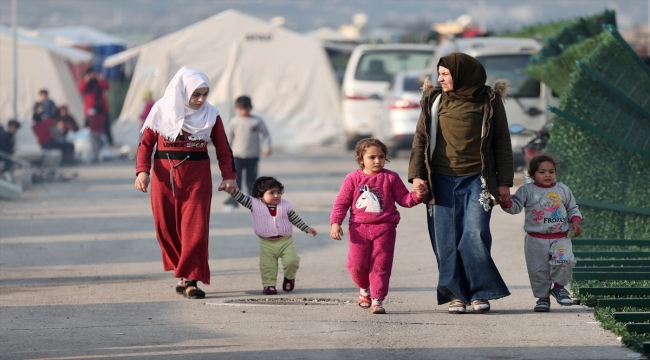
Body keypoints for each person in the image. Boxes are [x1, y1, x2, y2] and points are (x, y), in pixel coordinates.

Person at [408, 52, 513, 314]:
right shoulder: (433, 100)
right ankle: (455, 294)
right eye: (439, 73)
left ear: (463, 74)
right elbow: (420, 139)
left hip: (478, 179)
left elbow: (502, 141)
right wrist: (417, 175)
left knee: (475, 234)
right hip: (439, 180)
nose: (440, 78)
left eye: (446, 74)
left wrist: (504, 183)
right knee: (446, 239)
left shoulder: (488, 100)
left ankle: (479, 293)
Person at [135, 66, 238, 299]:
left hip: (197, 178)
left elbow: (223, 148)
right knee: (166, 228)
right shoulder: (161, 110)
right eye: (196, 94)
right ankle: (182, 271)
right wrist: (142, 172)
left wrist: (229, 177)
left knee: (196, 229)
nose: (201, 100)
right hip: (164, 177)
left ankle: (191, 279)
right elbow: (145, 145)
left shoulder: (211, 115)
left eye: (204, 94)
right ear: (183, 91)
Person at [330, 138, 424, 314]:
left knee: (381, 265)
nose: (377, 161)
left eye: (381, 157)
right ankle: (364, 288)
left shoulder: (391, 177)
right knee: (356, 265)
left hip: (385, 228)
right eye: (372, 157)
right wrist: (336, 223)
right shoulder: (353, 178)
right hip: (359, 229)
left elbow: (404, 199)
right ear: (361, 159)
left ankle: (377, 299)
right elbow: (341, 203)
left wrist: (417, 195)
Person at [501, 155, 581, 312]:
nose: (547, 175)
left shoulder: (562, 189)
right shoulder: (527, 190)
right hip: (536, 239)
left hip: (560, 237)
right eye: (542, 172)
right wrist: (506, 202)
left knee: (564, 261)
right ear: (532, 175)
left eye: (551, 171)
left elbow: (572, 207)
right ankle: (543, 298)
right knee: (538, 270)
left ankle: (559, 287)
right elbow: (515, 207)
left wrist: (576, 221)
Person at [226, 176, 317, 295]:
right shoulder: (254, 204)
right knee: (268, 266)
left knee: (292, 261)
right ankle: (269, 285)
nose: (276, 195)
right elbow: (241, 198)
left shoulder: (285, 206)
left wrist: (306, 228)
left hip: (285, 241)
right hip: (266, 243)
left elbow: (295, 218)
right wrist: (232, 190)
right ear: (260, 195)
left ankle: (289, 277)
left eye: (279, 192)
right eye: (272, 193)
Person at [224, 95, 271, 209]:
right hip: (237, 155)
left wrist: (267, 148)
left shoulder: (256, 121)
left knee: (251, 178)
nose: (244, 111)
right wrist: (226, 152)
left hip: (252, 155)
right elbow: (228, 137)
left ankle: (254, 200)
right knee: (236, 178)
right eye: (241, 108)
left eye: (246, 108)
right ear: (237, 108)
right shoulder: (234, 122)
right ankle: (234, 199)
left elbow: (265, 134)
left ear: (251, 108)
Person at [78, 67, 112, 145]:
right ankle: (87, 142)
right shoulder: (86, 83)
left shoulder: (98, 82)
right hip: (90, 109)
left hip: (101, 109)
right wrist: (86, 80)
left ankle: (108, 142)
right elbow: (80, 90)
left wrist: (100, 78)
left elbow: (107, 87)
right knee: (88, 127)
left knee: (105, 127)